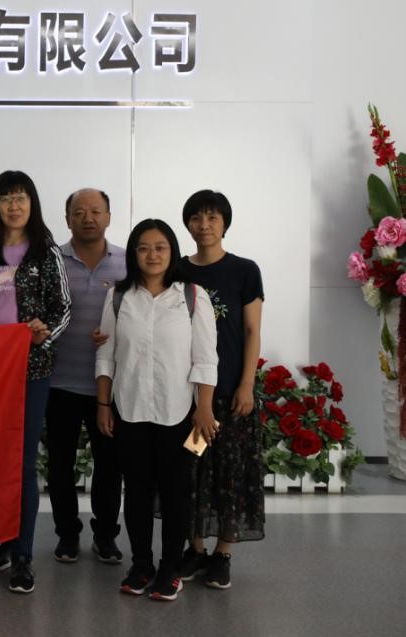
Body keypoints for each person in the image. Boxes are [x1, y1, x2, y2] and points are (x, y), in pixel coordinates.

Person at [95, 219, 218, 602]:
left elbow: (205, 358)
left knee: (176, 492)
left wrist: (204, 408)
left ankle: (170, 569)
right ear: (134, 253)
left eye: (160, 247)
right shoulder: (118, 297)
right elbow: (106, 356)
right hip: (129, 409)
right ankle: (141, 565)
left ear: (172, 252)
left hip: (179, 413)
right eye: (144, 247)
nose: (152, 255)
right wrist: (103, 404)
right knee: (136, 492)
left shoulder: (192, 296)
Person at [0, 170, 70, 594]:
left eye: (21, 198)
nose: (14, 206)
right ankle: (3, 542)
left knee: (21, 462)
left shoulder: (46, 252)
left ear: (32, 203)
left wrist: (45, 333)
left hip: (31, 370)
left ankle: (22, 555)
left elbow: (63, 308)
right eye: (5, 198)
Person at [177, 190, 265, 589]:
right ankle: (194, 549)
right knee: (190, 470)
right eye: (196, 217)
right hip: (189, 396)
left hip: (231, 396)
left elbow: (251, 330)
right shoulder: (178, 270)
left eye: (212, 217)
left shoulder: (244, 270)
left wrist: (247, 384)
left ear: (225, 223)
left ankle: (222, 554)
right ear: (188, 224)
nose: (204, 225)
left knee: (231, 473)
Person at [45, 189, 125, 565]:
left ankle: (106, 536)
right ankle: (67, 535)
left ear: (108, 216)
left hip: (109, 387)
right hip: (59, 383)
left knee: (109, 466)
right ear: (67, 219)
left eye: (96, 211)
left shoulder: (128, 262)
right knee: (60, 465)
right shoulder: (50, 260)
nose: (88, 218)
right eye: (79, 212)